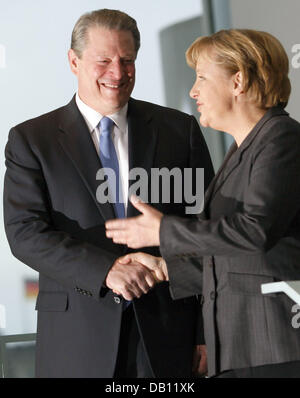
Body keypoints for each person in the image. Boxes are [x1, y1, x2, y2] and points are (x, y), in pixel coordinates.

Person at [3, 9, 214, 378]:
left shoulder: (179, 131)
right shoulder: (32, 141)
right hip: (77, 340)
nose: (117, 73)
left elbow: (204, 229)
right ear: (74, 61)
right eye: (103, 61)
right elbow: (24, 235)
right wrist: (107, 271)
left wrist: (205, 331)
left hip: (168, 338)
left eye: (127, 61)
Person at [105, 29, 300, 378]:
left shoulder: (282, 140)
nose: (193, 91)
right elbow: (242, 258)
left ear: (237, 81)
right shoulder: (244, 149)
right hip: (242, 352)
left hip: (274, 349)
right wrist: (166, 268)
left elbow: (254, 232)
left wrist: (164, 229)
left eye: (202, 77)